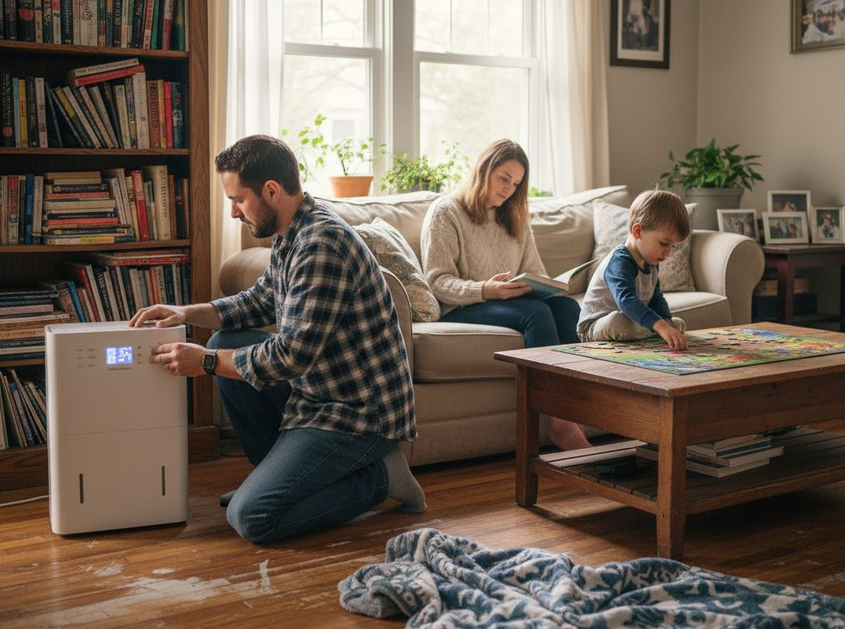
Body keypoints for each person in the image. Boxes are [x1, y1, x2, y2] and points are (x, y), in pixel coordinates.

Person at [128, 134, 425, 544]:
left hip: (358, 415)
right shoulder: (292, 231)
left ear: (271, 190)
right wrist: (187, 313)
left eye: (238, 199)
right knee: (220, 340)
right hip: (317, 397)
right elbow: (261, 300)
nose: (232, 212)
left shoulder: (321, 243)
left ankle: (378, 478)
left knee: (253, 518)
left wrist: (206, 363)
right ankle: (277, 476)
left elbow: (290, 357)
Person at [420, 139, 592, 451]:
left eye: (516, 183)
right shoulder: (445, 212)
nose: (509, 190)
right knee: (537, 314)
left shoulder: (515, 216)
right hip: (463, 305)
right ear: (484, 170)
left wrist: (545, 286)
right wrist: (486, 289)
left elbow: (534, 269)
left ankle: (575, 410)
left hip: (510, 299)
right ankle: (562, 425)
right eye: (504, 178)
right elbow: (438, 281)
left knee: (566, 308)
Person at [577, 190, 691, 350]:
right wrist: (661, 326)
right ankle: (651, 330)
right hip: (596, 326)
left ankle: (650, 329)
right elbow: (626, 300)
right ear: (638, 231)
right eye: (664, 243)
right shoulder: (619, 261)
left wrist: (667, 321)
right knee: (618, 322)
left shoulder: (651, 260)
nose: (668, 252)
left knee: (675, 323)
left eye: (673, 246)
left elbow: (656, 298)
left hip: (630, 319)